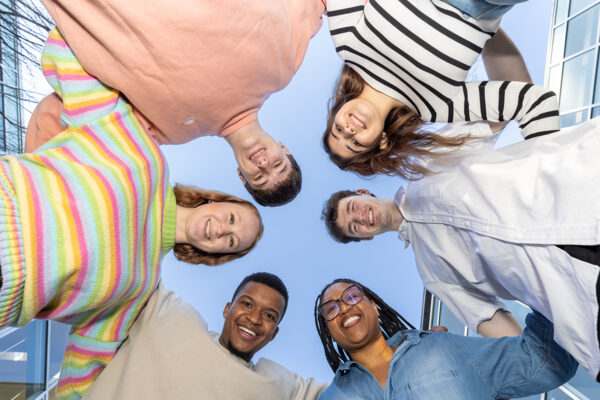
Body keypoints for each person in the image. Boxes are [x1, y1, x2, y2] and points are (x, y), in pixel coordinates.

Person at [0, 29, 264, 400]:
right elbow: (70, 54)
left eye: (232, 241)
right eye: (232, 218)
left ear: (218, 254)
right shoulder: (146, 158)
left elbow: (86, 363)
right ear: (215, 201)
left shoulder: (141, 289)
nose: (223, 230)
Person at [321, 110, 600, 380]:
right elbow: (494, 323)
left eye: (352, 208)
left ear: (363, 192)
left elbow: (498, 111)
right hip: (581, 294)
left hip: (586, 191)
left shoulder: (425, 161)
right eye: (354, 227)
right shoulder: (431, 274)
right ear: (365, 237)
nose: (359, 217)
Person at [26, 0, 328, 207]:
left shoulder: (170, 134)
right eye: (278, 165)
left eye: (260, 177)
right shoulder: (283, 68)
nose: (264, 164)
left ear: (242, 176)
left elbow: (82, 125)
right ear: (284, 148)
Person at [322, 0, 558, 178]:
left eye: (338, 130)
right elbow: (535, 102)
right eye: (355, 143)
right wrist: (550, 178)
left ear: (337, 111)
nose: (349, 132)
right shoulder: (436, 106)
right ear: (381, 140)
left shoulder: (348, 45)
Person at [315, 278, 577, 399]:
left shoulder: (442, 347)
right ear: (330, 332)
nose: (344, 308)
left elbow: (543, 363)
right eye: (331, 309)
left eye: (351, 297)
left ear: (374, 307)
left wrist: (541, 281)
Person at [82, 273, 327, 399]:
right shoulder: (173, 316)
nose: (254, 319)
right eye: (247, 304)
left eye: (269, 316)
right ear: (226, 309)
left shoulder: (279, 385)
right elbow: (135, 266)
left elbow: (350, 391)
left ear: (274, 334)